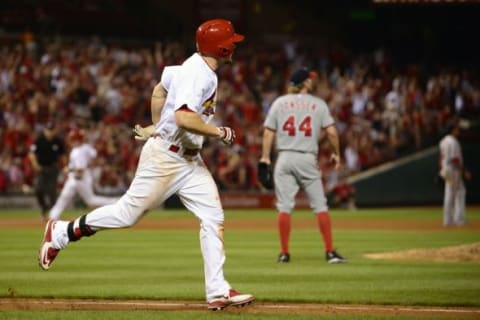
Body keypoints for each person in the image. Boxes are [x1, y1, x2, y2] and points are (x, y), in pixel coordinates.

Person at [38, 18, 254, 311]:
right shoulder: (199, 75)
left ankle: (217, 290)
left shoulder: (188, 67)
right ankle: (62, 232)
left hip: (189, 160)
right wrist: (219, 132)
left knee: (213, 217)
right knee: (127, 215)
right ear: (223, 47)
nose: (235, 46)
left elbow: (159, 90)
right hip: (166, 157)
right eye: (232, 42)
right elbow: (183, 118)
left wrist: (156, 124)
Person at [259, 68, 347, 264]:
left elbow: (268, 133)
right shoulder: (318, 104)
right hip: (307, 157)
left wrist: (265, 158)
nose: (312, 81)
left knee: (284, 207)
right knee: (320, 206)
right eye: (310, 79)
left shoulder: (279, 103)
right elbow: (332, 133)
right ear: (305, 83)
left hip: (284, 157)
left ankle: (284, 253)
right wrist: (336, 153)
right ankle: (330, 252)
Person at [48, 128, 119, 220]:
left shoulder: (78, 152)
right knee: (64, 197)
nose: (70, 141)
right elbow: (94, 156)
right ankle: (53, 216)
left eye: (72, 139)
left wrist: (69, 169)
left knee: (91, 200)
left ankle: (115, 202)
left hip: (81, 179)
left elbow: (80, 169)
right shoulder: (86, 147)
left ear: (76, 140)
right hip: (79, 178)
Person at [29, 122, 65, 220]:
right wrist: (35, 165)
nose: (50, 132)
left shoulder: (58, 141)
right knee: (38, 189)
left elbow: (63, 155)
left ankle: (54, 214)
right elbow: (32, 154)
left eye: (51, 130)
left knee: (52, 191)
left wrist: (64, 166)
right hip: (41, 168)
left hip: (53, 168)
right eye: (48, 130)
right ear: (45, 130)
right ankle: (44, 206)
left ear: (54, 131)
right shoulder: (39, 140)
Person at [438, 120, 471, 226]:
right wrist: (464, 171)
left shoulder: (443, 141)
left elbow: (441, 157)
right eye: (456, 129)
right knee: (459, 192)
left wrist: (441, 169)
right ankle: (459, 219)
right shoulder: (453, 141)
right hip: (453, 169)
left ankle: (448, 220)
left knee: (450, 193)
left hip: (445, 168)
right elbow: (455, 159)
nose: (458, 131)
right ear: (452, 130)